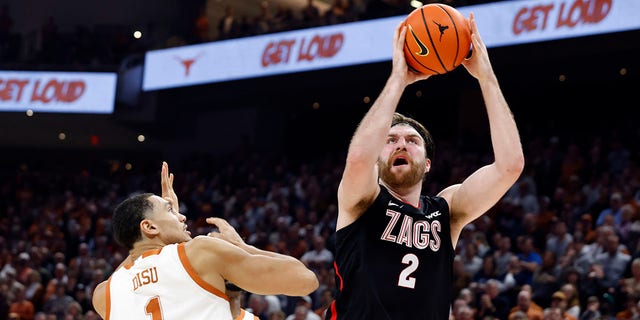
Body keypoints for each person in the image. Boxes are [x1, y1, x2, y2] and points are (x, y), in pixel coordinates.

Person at [325, 12, 524, 320]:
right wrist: (398, 79)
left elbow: (510, 166)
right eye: (390, 140)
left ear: (428, 163)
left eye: (412, 141)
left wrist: (486, 77)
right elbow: (358, 159)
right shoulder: (361, 201)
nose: (402, 144)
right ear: (378, 160)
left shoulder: (447, 211)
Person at [92, 162, 319, 319]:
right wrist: (241, 246)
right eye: (171, 210)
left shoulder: (104, 295)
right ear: (149, 227)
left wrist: (164, 227)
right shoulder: (199, 252)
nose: (182, 216)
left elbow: (136, 257)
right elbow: (305, 280)